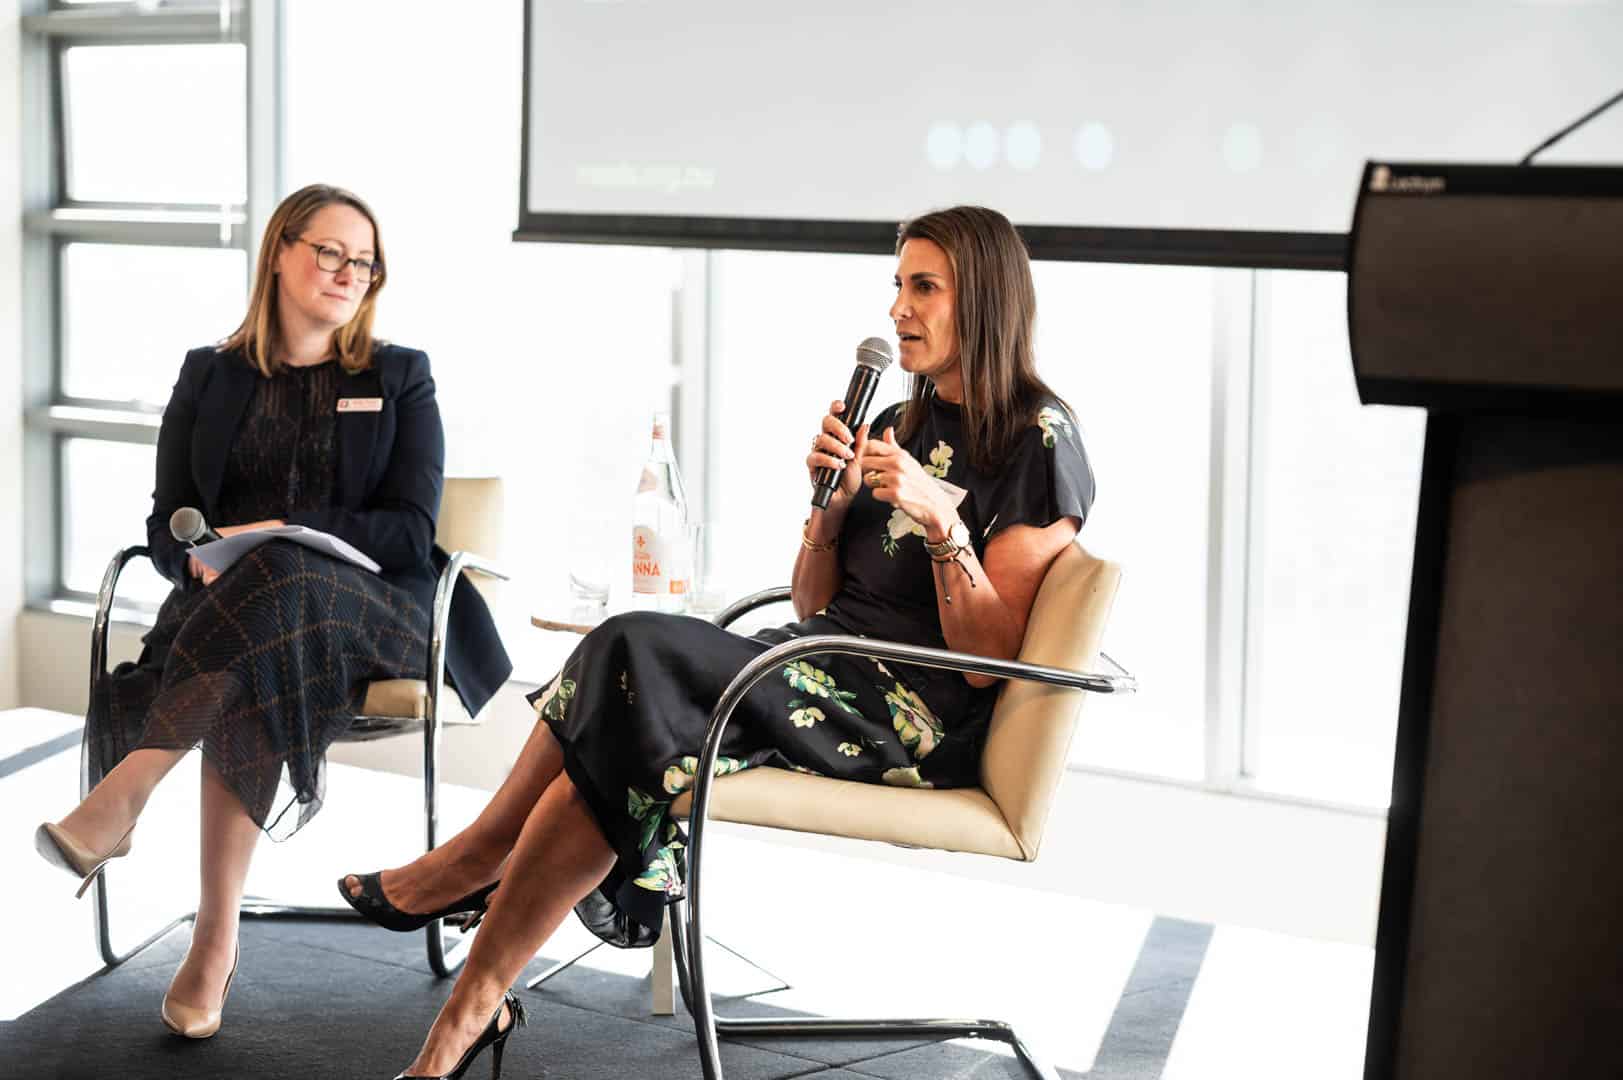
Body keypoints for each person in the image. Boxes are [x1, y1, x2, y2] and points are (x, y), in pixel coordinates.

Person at [339, 205, 1095, 1079]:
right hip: (810, 664)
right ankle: (470, 1008)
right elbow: (815, 600)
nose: (897, 310)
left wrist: (938, 521)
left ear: (986, 299)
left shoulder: (1038, 439)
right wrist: (830, 510)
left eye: (923, 288)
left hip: (906, 712)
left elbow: (989, 657)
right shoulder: (898, 419)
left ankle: (476, 868)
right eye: (897, 285)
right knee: (624, 727)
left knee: (628, 649)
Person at [33, 183, 511, 1040]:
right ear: (281, 252)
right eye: (330, 251)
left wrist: (272, 533)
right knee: (260, 635)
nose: (349, 272)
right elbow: (167, 522)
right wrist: (197, 553)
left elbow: (409, 532)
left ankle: (125, 793)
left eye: (364, 262)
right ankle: (214, 942)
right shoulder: (209, 375)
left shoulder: (398, 375)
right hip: (237, 619)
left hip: (377, 614)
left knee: (283, 571)